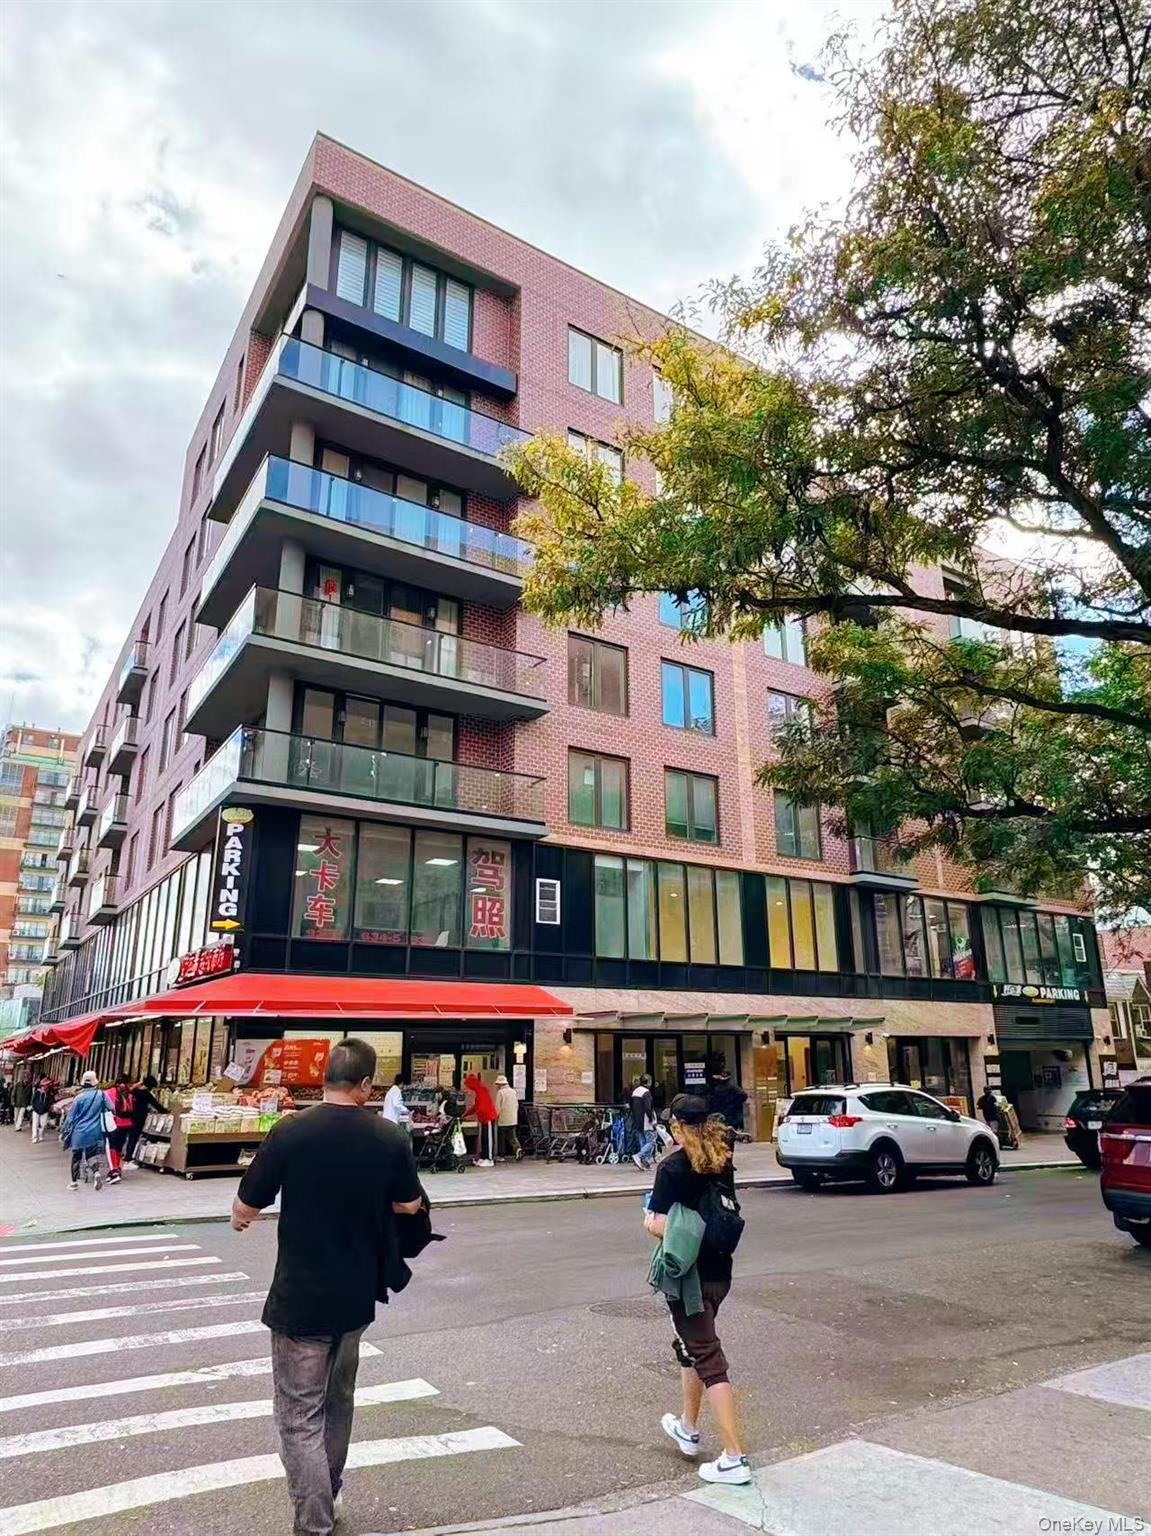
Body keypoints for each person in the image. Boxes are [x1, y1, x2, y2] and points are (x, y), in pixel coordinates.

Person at [232, 1038, 424, 1536]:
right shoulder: (389, 1137)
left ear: (324, 1080)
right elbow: (408, 1206)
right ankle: (327, 1497)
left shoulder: (292, 1133)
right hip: (357, 1294)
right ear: (365, 1085)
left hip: (300, 1297)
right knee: (338, 1401)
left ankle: (314, 1521)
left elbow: (243, 1210)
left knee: (299, 1414)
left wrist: (251, 1215)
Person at [644, 1093, 750, 1487]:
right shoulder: (722, 1158)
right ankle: (688, 1428)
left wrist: (648, 1220)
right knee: (691, 1348)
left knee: (708, 1358)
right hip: (720, 1272)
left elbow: (660, 1226)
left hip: (688, 1279)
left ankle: (735, 1457)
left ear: (675, 1127)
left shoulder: (672, 1168)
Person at [63, 1071, 108, 1191]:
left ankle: (73, 1183)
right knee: (91, 1154)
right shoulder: (101, 1095)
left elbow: (70, 1117)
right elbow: (111, 1107)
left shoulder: (79, 1097)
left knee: (76, 1156)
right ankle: (97, 1173)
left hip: (79, 1131)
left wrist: (64, 1130)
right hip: (94, 1130)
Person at [123, 1074, 164, 1165]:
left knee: (130, 1136)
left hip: (130, 1115)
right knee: (135, 1136)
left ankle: (127, 1154)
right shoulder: (147, 1094)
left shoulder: (135, 1091)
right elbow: (157, 1106)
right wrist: (167, 1111)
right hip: (140, 1117)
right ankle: (129, 1156)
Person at [464, 1071, 498, 1167]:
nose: (468, 1090)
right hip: (484, 1118)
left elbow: (481, 1107)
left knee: (488, 1138)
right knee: (484, 1138)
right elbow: (476, 1106)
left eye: (468, 1087)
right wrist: (466, 1114)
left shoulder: (481, 1091)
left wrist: (476, 1115)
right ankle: (483, 1157)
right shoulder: (479, 1091)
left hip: (488, 1118)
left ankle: (489, 1159)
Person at [105, 1074, 134, 1183]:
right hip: (127, 1123)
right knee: (120, 1147)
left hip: (114, 1122)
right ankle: (118, 1167)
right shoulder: (129, 1092)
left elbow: (107, 1106)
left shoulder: (109, 1092)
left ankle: (114, 1169)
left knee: (112, 1146)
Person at [631, 1074, 657, 1170]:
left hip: (637, 1120)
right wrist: (652, 1119)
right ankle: (639, 1156)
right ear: (648, 1082)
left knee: (642, 1141)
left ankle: (644, 1163)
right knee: (652, 1141)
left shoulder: (635, 1092)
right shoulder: (646, 1092)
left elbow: (631, 1106)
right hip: (646, 1120)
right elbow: (648, 1107)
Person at [494, 1074, 522, 1160]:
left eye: (498, 1084)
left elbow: (497, 1107)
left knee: (501, 1137)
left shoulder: (500, 1093)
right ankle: (518, 1148)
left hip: (503, 1118)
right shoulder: (513, 1091)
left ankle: (501, 1155)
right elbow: (517, 1105)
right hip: (513, 1118)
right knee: (512, 1136)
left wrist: (495, 1116)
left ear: (500, 1084)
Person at [30, 1075, 55, 1143]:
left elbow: (50, 1102)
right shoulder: (37, 1092)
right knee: (35, 1124)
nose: (44, 1088)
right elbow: (33, 1101)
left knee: (43, 1124)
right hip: (36, 1111)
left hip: (44, 1111)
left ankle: (40, 1135)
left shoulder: (49, 1094)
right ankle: (34, 1137)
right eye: (43, 1086)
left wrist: (47, 1108)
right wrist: (34, 1108)